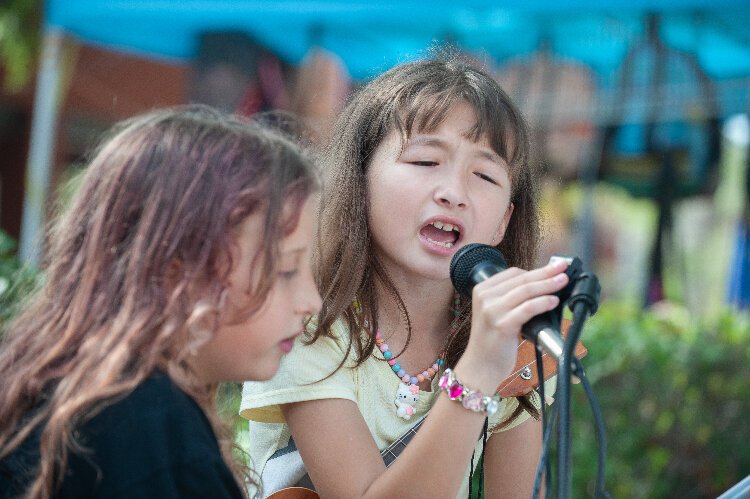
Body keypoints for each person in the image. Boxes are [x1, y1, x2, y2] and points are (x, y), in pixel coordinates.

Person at [240, 49, 570, 498]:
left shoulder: (514, 339)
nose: (453, 192)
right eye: (424, 162)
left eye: (485, 176)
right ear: (360, 180)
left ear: (503, 222)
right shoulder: (308, 318)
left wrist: (500, 350)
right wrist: (477, 372)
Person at [0, 104, 322, 498]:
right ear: (176, 272)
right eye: (287, 269)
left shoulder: (74, 390)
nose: (312, 301)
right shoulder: (147, 430)